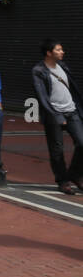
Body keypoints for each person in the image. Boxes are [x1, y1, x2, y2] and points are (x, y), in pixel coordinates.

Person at [31, 39, 83, 196]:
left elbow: (72, 89)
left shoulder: (63, 66)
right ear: (49, 53)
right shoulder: (38, 70)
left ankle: (74, 174)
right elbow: (42, 96)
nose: (62, 52)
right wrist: (56, 116)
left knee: (82, 143)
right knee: (57, 150)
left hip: (71, 110)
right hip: (54, 114)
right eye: (59, 50)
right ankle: (63, 181)